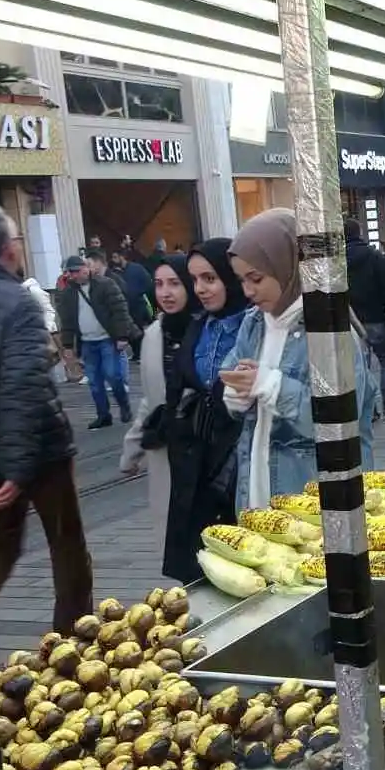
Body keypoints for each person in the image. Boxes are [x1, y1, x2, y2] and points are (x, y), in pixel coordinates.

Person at [0, 207, 91, 634]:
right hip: (37, 451)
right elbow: (24, 386)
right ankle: (74, 638)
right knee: (66, 545)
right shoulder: (18, 302)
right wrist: (19, 464)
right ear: (8, 249)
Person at [221, 210, 378, 508]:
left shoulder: (330, 330)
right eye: (241, 280)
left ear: (287, 267)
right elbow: (233, 373)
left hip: (320, 508)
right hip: (258, 493)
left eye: (256, 278)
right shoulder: (253, 323)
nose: (247, 290)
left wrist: (271, 387)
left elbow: (340, 421)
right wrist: (236, 394)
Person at [161, 239, 250, 583]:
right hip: (195, 462)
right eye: (195, 280)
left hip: (234, 465)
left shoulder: (251, 326)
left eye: (209, 279)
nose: (200, 289)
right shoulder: (200, 325)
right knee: (200, 566)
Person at [121, 254, 198, 552]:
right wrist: (132, 447)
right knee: (177, 542)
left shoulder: (207, 327)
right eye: (159, 284)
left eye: (175, 284)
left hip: (204, 451)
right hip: (168, 450)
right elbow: (151, 400)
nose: (165, 293)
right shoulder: (153, 335)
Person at [56, 254, 139, 429]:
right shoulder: (68, 293)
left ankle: (124, 406)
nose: (73, 276)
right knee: (94, 382)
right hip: (87, 342)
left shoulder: (105, 284)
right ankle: (103, 415)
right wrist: (68, 345)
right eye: (70, 273)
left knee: (113, 375)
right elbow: (67, 320)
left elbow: (119, 310)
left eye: (75, 271)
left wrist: (122, 336)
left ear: (85, 269)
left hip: (107, 339)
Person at [344, 219, 385, 421]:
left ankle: (369, 409)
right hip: (376, 317)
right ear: (360, 232)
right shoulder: (374, 256)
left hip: (352, 321)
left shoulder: (338, 260)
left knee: (361, 365)